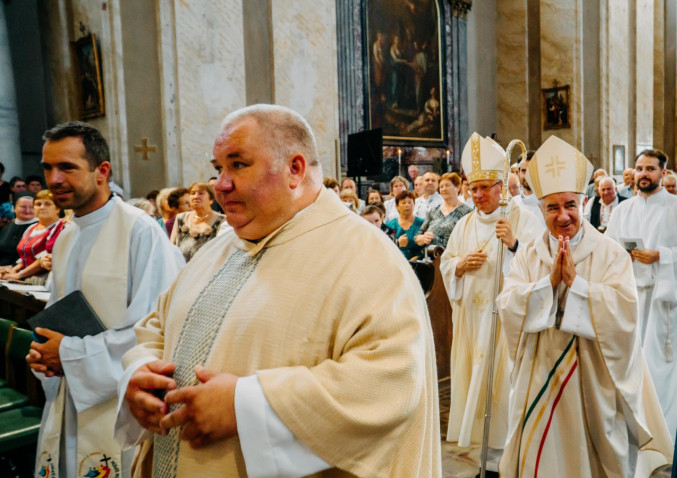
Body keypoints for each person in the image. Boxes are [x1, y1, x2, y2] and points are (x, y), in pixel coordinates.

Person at [116, 104, 440, 476]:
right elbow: (158, 324)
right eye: (218, 168)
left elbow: (390, 381)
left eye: (238, 165)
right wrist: (140, 373)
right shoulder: (217, 250)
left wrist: (246, 406)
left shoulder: (367, 258)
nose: (220, 184)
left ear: (294, 169)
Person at [497, 136, 672, 477]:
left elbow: (625, 312)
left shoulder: (610, 253)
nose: (563, 216)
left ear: (584, 202)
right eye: (552, 207)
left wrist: (577, 286)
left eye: (570, 205)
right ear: (541, 209)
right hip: (539, 373)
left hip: (592, 379)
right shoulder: (529, 253)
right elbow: (508, 305)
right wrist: (548, 284)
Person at [27, 121, 184, 478]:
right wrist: (44, 352)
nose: (54, 179)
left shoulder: (140, 231)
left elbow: (158, 331)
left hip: (119, 410)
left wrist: (67, 353)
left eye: (67, 167)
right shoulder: (67, 235)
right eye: (48, 168)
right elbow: (57, 316)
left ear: (102, 171)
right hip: (70, 396)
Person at [439, 132, 544, 473]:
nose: (478, 195)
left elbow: (540, 266)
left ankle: (509, 462)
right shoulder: (464, 224)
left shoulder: (524, 220)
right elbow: (447, 263)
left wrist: (514, 246)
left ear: (501, 186)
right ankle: (487, 462)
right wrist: (458, 266)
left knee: (505, 390)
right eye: (473, 189)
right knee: (478, 388)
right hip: (473, 321)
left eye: (485, 188)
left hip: (506, 324)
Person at [605, 149, 677, 439]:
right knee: (630, 364)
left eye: (650, 169)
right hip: (630, 299)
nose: (643, 174)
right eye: (639, 168)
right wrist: (623, 257)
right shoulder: (622, 210)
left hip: (662, 301)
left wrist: (660, 255)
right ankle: (632, 431)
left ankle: (663, 434)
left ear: (663, 172)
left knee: (660, 367)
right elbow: (608, 251)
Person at [0, 190, 64, 284]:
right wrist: (12, 271)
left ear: (57, 208)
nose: (42, 207)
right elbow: (25, 258)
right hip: (26, 276)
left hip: (44, 279)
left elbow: (44, 259)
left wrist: (19, 275)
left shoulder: (60, 227)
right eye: (38, 204)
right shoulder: (32, 228)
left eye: (47, 204)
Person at [170, 181, 228, 262]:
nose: (196, 196)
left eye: (201, 193)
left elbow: (223, 252)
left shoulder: (222, 220)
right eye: (193, 193)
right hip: (183, 267)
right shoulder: (181, 218)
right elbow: (172, 247)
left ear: (211, 199)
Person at [415, 172, 472, 249]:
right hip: (430, 254)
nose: (444, 189)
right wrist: (422, 238)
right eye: (441, 186)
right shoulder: (433, 211)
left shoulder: (467, 212)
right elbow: (418, 236)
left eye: (447, 185)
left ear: (458, 187)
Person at [386, 189, 425, 260]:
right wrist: (398, 243)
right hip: (396, 261)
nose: (407, 205)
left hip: (419, 262)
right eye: (403, 203)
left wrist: (417, 258)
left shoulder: (422, 223)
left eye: (410, 202)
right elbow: (386, 247)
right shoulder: (389, 225)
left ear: (414, 204)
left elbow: (427, 247)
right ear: (397, 206)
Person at [0, 194, 37, 266]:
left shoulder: (39, 227)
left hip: (22, 268)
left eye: (32, 207)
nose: (27, 210)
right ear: (14, 208)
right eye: (23, 207)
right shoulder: (6, 227)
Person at [511, 153, 545, 225]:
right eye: (524, 171)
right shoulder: (513, 203)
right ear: (518, 173)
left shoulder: (547, 203)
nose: (528, 175)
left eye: (532, 170)